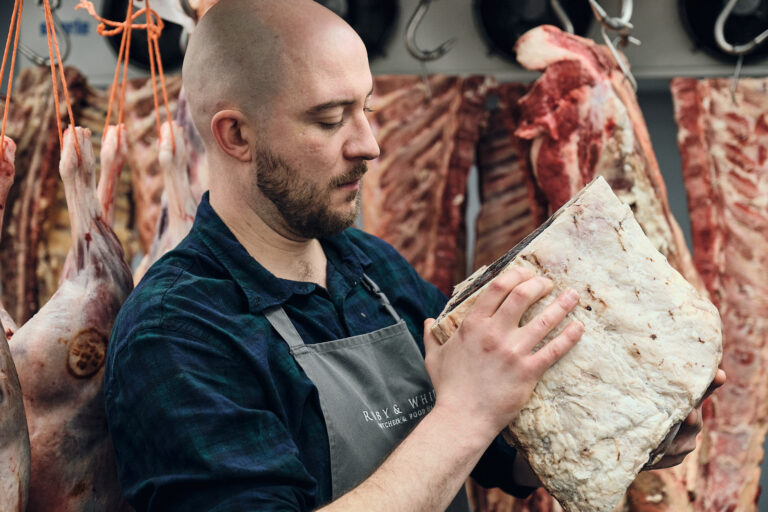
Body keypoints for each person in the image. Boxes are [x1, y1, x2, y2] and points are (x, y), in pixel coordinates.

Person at [104, 1, 725, 510]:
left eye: (367, 108)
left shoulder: (371, 270)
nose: (368, 144)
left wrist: (630, 430)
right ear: (235, 135)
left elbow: (498, 451)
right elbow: (465, 422)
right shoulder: (177, 331)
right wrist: (468, 410)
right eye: (330, 120)